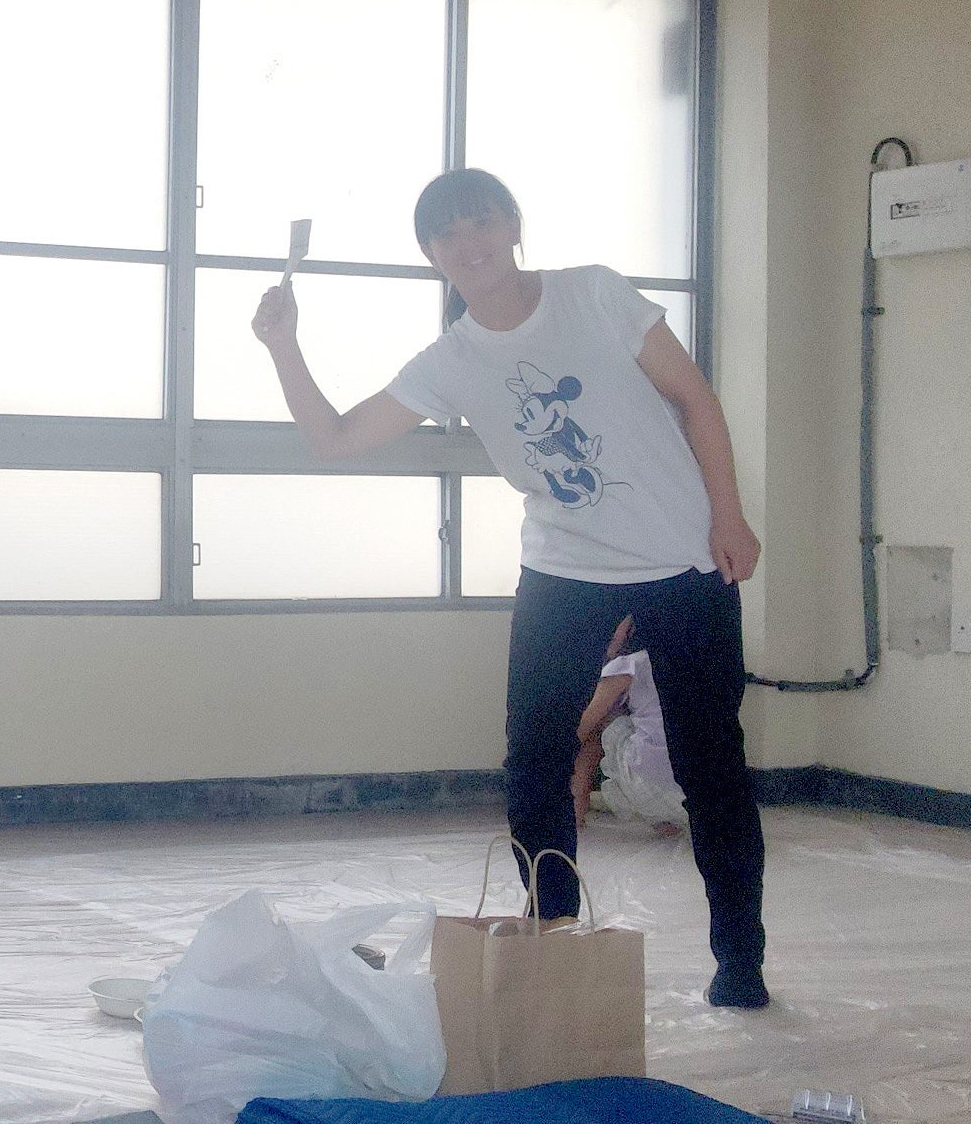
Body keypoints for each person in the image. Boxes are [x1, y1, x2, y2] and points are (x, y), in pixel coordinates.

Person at [250, 167, 772, 1010]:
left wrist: (729, 514)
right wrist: (283, 345)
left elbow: (693, 396)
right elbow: (334, 437)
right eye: (447, 233)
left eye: (482, 221)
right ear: (430, 254)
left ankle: (739, 960)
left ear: (513, 225)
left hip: (682, 559)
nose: (470, 242)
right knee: (532, 758)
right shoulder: (451, 360)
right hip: (563, 569)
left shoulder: (592, 294)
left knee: (711, 762)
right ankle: (550, 940)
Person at [572, 616, 686, 837]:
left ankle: (574, 810)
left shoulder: (627, 665)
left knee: (599, 727)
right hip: (692, 789)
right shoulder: (684, 661)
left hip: (646, 781)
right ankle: (666, 820)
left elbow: (585, 724)